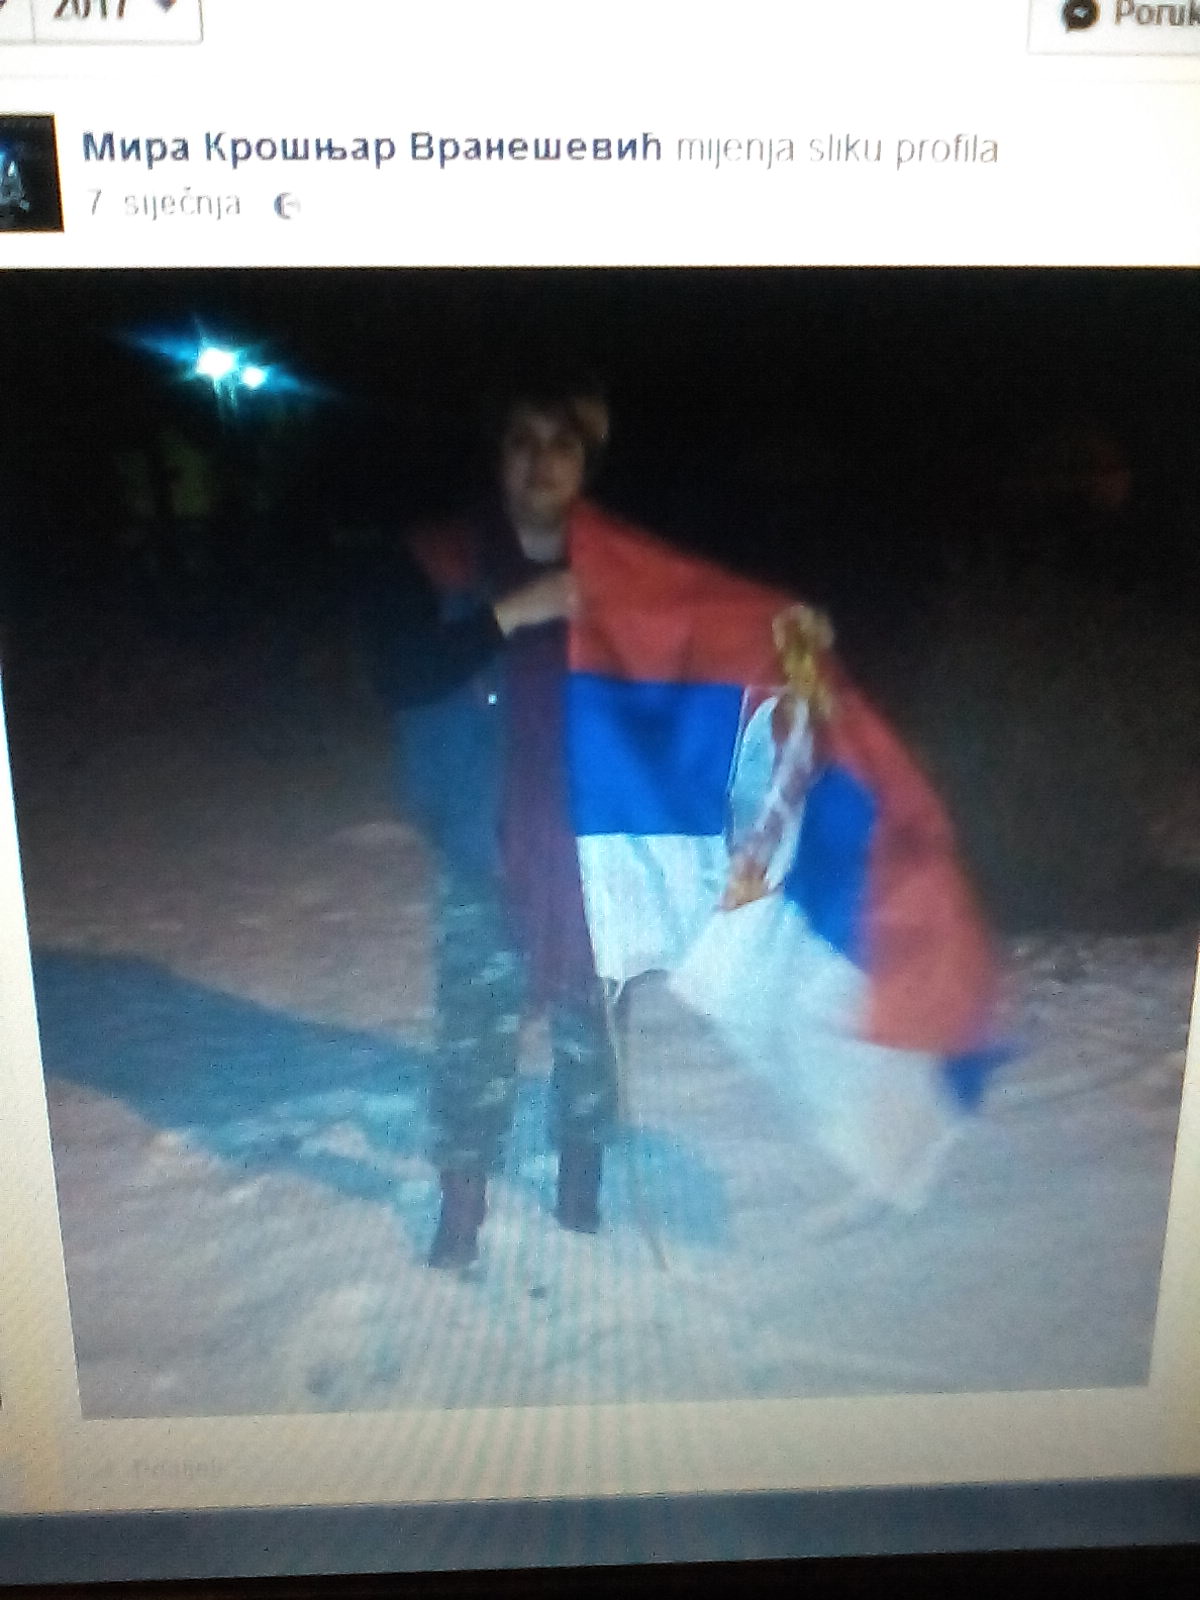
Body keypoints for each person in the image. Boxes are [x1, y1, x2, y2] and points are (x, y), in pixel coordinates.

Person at [368, 381, 620, 1269]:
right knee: (473, 1031)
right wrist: (515, 611)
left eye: (563, 444)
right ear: (499, 454)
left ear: (586, 465)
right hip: (484, 839)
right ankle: (462, 1199)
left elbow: (698, 661)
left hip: (594, 847)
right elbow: (400, 673)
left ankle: (583, 1172)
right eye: (524, 440)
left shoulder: (623, 570)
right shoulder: (442, 559)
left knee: (596, 1023)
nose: (542, 460)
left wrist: (787, 641)